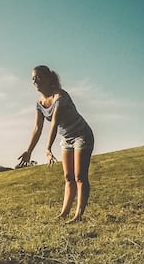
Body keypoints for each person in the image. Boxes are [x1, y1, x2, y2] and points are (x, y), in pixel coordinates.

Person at [18, 65, 94, 223]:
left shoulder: (60, 96)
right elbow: (37, 128)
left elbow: (54, 123)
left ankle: (78, 215)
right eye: (32, 78)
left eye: (38, 77)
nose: (34, 81)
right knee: (68, 177)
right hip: (66, 139)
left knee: (80, 177)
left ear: (48, 79)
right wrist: (29, 151)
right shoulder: (39, 103)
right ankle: (64, 213)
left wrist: (48, 148)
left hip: (81, 135)